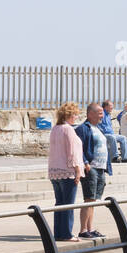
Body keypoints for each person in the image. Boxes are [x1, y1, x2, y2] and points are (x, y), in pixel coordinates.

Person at [47, 103, 85, 243]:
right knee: (69, 204)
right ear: (69, 115)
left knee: (59, 204)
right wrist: (77, 170)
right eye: (75, 114)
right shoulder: (68, 129)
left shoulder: (55, 129)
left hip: (54, 171)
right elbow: (72, 152)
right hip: (67, 171)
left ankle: (58, 233)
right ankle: (67, 234)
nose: (76, 117)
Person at [75, 103, 113, 239]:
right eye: (99, 112)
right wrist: (85, 162)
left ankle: (90, 229)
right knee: (88, 199)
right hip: (91, 167)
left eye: (102, 113)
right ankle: (83, 230)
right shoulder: (83, 128)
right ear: (90, 113)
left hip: (101, 168)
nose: (102, 115)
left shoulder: (98, 128)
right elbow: (78, 148)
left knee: (94, 200)